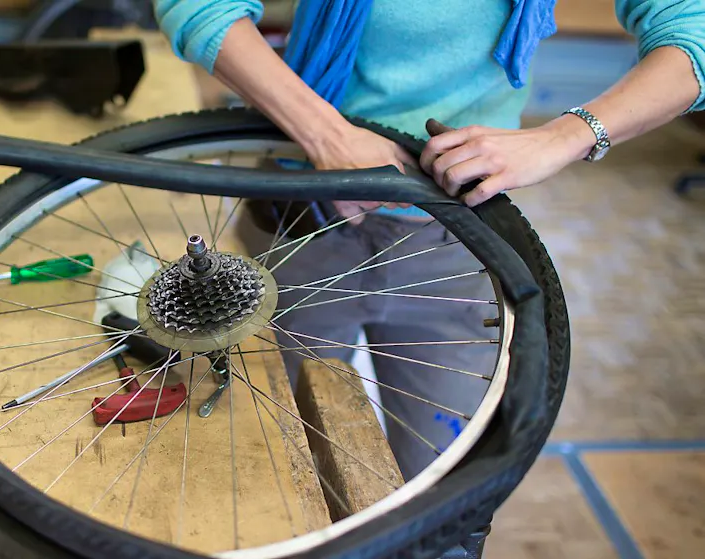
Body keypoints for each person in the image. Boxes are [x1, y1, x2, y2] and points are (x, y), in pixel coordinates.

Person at [153, 0, 705, 479]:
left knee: (443, 482)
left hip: (457, 240)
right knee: (269, 457)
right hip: (305, 215)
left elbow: (694, 34)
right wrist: (327, 134)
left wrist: (567, 134)